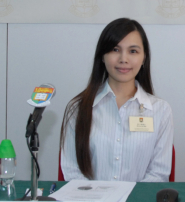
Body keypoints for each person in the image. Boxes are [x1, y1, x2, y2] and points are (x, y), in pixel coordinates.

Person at [60, 18, 173, 181]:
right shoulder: (77, 108)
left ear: (144, 59)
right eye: (115, 49)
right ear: (102, 56)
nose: (123, 59)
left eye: (133, 51)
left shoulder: (161, 110)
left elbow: (158, 174)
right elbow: (72, 172)